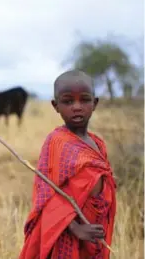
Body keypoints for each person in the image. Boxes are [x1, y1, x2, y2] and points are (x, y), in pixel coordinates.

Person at [19, 70, 117, 259]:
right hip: (67, 229)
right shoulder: (57, 142)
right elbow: (46, 192)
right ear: (56, 106)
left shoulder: (98, 143)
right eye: (68, 101)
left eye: (84, 100)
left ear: (94, 103)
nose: (77, 107)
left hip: (96, 226)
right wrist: (75, 228)